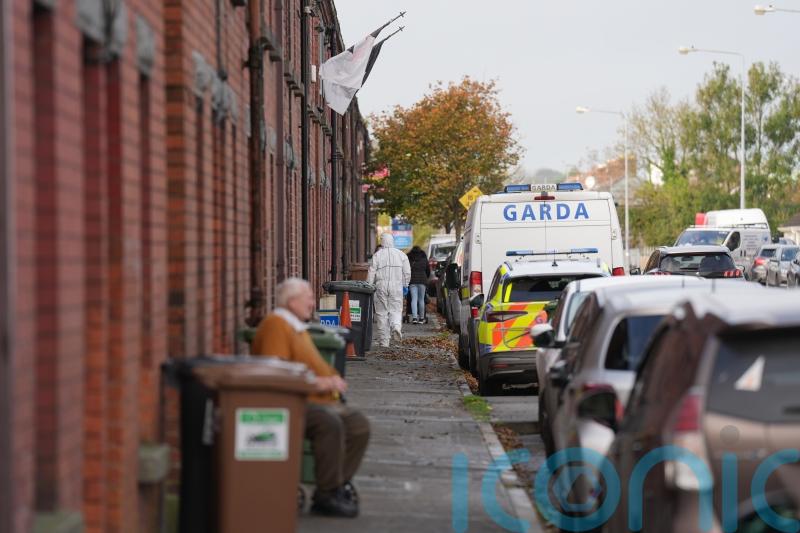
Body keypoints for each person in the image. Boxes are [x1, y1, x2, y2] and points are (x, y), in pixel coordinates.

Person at [251, 278, 370, 518]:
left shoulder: (296, 326)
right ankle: (327, 494)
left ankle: (335, 484)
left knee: (358, 425)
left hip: (321, 399)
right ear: (292, 301)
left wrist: (331, 381)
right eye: (308, 298)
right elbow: (277, 371)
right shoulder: (277, 325)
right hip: (295, 402)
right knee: (329, 423)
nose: (312, 303)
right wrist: (321, 382)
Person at [367, 233, 411, 347]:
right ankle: (396, 326)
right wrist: (405, 284)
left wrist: (369, 286)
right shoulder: (401, 255)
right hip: (396, 286)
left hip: (381, 286)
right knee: (396, 310)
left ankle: (384, 341)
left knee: (382, 313)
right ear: (392, 241)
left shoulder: (377, 255)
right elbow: (407, 272)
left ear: (382, 242)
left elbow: (371, 272)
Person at [406, 246, 430, 324]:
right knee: (421, 299)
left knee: (414, 299)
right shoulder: (423, 257)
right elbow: (428, 270)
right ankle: (422, 318)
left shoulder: (409, 258)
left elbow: (406, 270)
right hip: (422, 280)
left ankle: (414, 318)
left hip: (412, 280)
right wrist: (426, 277)